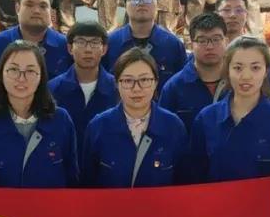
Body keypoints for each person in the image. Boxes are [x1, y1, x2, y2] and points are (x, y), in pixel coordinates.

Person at [189, 37, 270, 217]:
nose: (246, 76)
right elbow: (193, 174)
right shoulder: (207, 118)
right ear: (227, 70)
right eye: (237, 68)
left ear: (266, 71)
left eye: (255, 68)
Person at [0, 41, 78, 188]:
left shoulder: (61, 120)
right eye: (13, 69)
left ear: (41, 76)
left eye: (30, 71)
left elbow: (72, 177)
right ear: (1, 74)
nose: (21, 78)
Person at [81, 48, 188, 187]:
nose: (136, 89)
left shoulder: (173, 126)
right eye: (127, 81)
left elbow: (184, 182)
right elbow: (87, 183)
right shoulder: (98, 127)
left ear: (156, 82)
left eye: (144, 80)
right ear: (117, 84)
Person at [103, 0, 187, 91]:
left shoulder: (173, 46)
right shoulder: (110, 43)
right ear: (125, 4)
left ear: (157, 3)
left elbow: (181, 88)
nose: (141, 3)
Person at [49, 22, 118, 155]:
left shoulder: (118, 89)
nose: (88, 49)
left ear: (104, 49)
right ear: (70, 48)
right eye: (80, 42)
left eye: (95, 43)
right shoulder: (52, 89)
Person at [159, 12, 228, 132]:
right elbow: (163, 130)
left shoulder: (236, 82)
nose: (210, 46)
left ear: (226, 41)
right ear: (191, 45)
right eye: (202, 40)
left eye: (216, 39)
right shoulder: (174, 87)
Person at [0, 0, 72, 77]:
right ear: (17, 9)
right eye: (29, 5)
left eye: (43, 6)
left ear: (51, 12)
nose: (36, 11)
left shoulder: (65, 45)